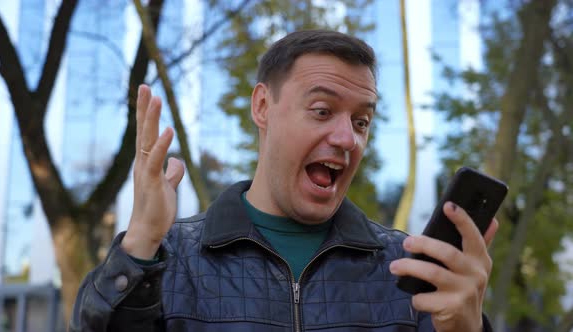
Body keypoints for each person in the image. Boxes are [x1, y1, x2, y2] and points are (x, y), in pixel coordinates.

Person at [70, 30, 497, 331]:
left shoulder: (405, 273)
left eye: (362, 121)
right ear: (262, 107)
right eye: (322, 111)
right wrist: (140, 244)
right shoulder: (171, 262)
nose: (348, 138)